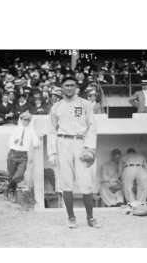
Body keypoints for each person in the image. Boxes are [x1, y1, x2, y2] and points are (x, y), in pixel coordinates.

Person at [48, 75, 99, 228]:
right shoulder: (56, 107)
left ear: (76, 87)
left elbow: (92, 126)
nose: (69, 88)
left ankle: (90, 218)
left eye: (72, 85)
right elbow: (51, 130)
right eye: (66, 85)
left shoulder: (85, 104)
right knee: (66, 182)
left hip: (81, 143)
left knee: (86, 182)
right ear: (61, 88)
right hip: (63, 143)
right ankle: (71, 217)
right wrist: (52, 152)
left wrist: (89, 147)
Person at [6, 111, 39, 196]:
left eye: (28, 120)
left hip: (23, 155)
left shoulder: (31, 130)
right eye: (24, 120)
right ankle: (12, 193)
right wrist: (15, 141)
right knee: (11, 175)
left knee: (19, 175)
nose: (26, 122)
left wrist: (36, 143)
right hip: (13, 154)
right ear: (21, 120)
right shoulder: (15, 129)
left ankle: (7, 187)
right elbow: (10, 142)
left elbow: (36, 141)